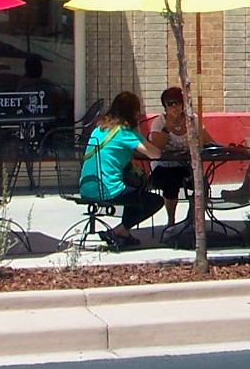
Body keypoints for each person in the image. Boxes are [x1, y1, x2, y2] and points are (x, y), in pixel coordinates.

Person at [78, 90, 165, 250]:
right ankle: (116, 231)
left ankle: (124, 234)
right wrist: (137, 128)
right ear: (134, 113)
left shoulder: (100, 128)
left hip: (86, 187)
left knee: (134, 190)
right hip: (108, 189)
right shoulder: (124, 132)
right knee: (155, 201)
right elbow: (155, 154)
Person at [145, 86, 199, 225]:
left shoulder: (192, 120)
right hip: (163, 167)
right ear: (165, 106)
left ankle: (192, 218)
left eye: (178, 102)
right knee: (171, 182)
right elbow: (157, 148)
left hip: (184, 165)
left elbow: (207, 140)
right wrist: (167, 128)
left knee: (201, 181)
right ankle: (171, 221)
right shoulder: (159, 122)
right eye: (170, 103)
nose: (174, 106)